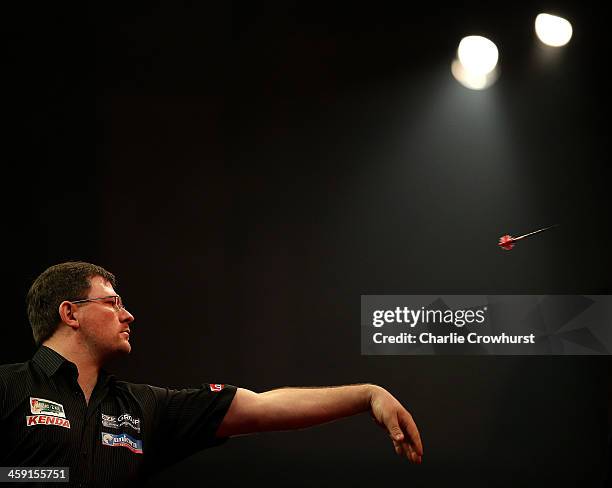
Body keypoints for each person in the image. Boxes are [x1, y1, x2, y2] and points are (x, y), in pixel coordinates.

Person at [0, 261, 423, 487]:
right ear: (70, 313)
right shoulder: (7, 386)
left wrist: (368, 394)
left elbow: (261, 406)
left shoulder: (143, 406)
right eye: (111, 304)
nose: (127, 314)